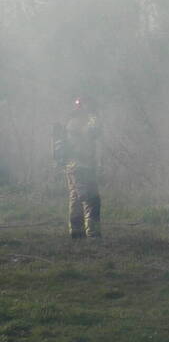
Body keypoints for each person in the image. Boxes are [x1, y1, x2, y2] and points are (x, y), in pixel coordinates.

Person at [54, 96, 102, 239]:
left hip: (72, 167)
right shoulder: (82, 122)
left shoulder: (70, 120)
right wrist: (93, 114)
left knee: (75, 198)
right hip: (82, 166)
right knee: (92, 199)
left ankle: (76, 232)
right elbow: (95, 130)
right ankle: (93, 235)